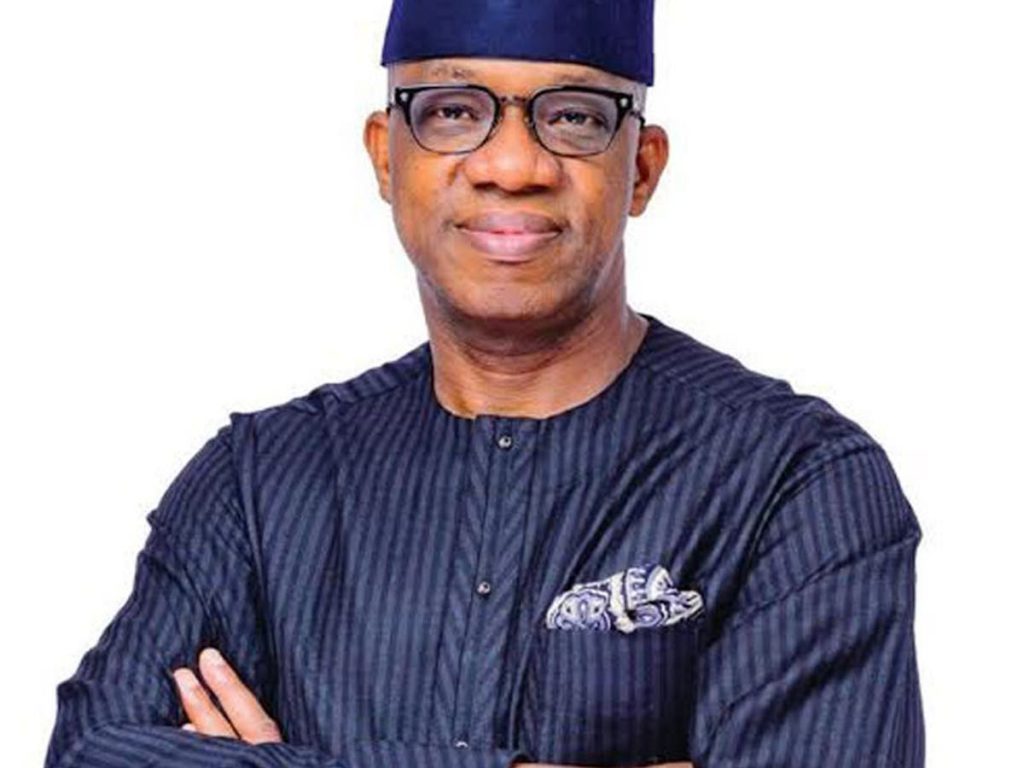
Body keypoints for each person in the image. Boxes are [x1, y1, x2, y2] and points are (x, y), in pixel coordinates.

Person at [42, 1, 925, 767]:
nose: (512, 165)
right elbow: (90, 750)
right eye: (453, 111)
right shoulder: (258, 483)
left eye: (573, 117)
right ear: (386, 157)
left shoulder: (795, 481)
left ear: (643, 168)